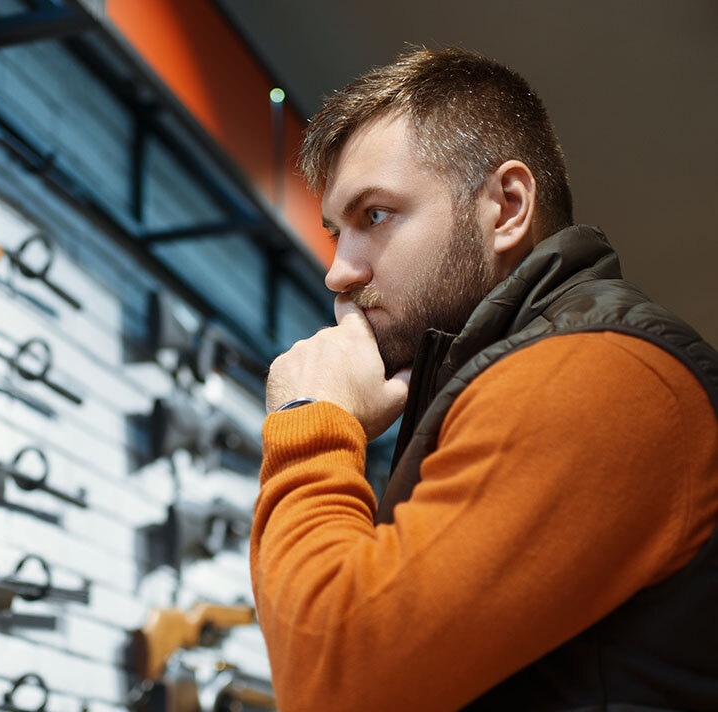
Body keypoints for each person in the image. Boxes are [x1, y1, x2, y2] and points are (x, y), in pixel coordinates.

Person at [251, 46, 718, 711]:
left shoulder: (588, 374)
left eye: (373, 216)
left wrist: (307, 422)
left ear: (505, 208)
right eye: (335, 232)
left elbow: (337, 681)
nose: (339, 271)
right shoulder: (510, 379)